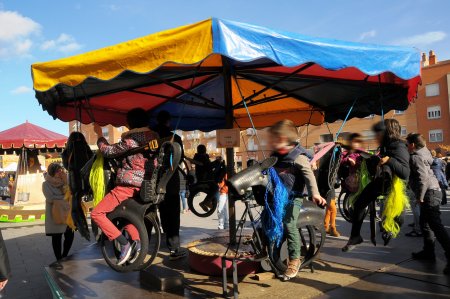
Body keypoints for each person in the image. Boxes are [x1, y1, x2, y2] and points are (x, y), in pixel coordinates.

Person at [91, 108, 159, 265]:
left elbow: (107, 151)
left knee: (97, 214)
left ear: (131, 123)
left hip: (127, 185)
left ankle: (124, 243)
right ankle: (136, 242)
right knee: (129, 214)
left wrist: (99, 134)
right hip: (146, 186)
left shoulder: (131, 140)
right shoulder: (154, 137)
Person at [268, 120, 326, 280]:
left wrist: (315, 193)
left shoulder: (298, 157)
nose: (274, 143)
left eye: (278, 140)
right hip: (279, 197)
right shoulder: (274, 157)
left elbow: (309, 176)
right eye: (273, 140)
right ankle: (271, 252)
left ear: (289, 140)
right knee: (270, 221)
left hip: (294, 197)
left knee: (289, 223)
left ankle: (295, 259)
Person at [343, 119, 410, 252]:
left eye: (378, 133)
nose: (375, 137)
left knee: (396, 216)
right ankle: (355, 236)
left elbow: (405, 173)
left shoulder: (399, 146)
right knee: (359, 204)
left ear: (387, 132)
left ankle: (389, 231)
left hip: (395, 188)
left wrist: (389, 160)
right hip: (382, 182)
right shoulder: (385, 146)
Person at [406, 133, 450, 275]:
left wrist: (420, 196)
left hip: (428, 192)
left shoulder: (416, 156)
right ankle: (428, 251)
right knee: (425, 223)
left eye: (407, 144)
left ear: (412, 145)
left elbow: (423, 178)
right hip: (434, 190)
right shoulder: (424, 151)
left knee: (436, 226)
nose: (407, 147)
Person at [152, 110, 186, 260]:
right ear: (168, 121)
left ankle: (166, 239)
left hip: (154, 179)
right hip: (171, 180)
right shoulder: (175, 137)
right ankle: (174, 248)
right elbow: (181, 157)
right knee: (173, 213)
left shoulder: (151, 136)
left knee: (162, 210)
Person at [43, 163, 75, 270]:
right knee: (56, 237)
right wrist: (64, 198)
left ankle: (65, 255)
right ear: (52, 172)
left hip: (67, 213)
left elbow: (71, 193)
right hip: (55, 214)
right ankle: (58, 258)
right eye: (57, 171)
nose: (60, 173)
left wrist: (66, 184)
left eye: (61, 170)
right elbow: (50, 198)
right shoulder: (46, 184)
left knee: (70, 235)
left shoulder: (65, 182)